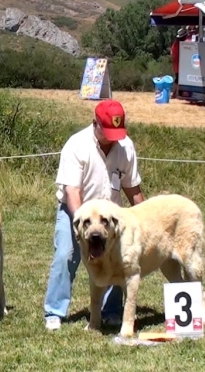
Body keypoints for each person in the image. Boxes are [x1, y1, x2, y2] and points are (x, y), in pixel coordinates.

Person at [43, 99, 145, 331]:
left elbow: (132, 188)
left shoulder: (126, 146)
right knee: (66, 255)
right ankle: (54, 312)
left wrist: (144, 217)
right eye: (108, 131)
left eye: (116, 132)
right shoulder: (76, 145)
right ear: (95, 123)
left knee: (118, 259)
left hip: (112, 218)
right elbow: (72, 191)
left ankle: (111, 312)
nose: (112, 137)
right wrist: (82, 226)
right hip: (77, 213)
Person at [171, 28, 187, 98]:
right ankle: (176, 93)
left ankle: (175, 93)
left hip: (176, 63)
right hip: (180, 64)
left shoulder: (175, 44)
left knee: (177, 78)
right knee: (178, 78)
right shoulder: (181, 44)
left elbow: (172, 53)